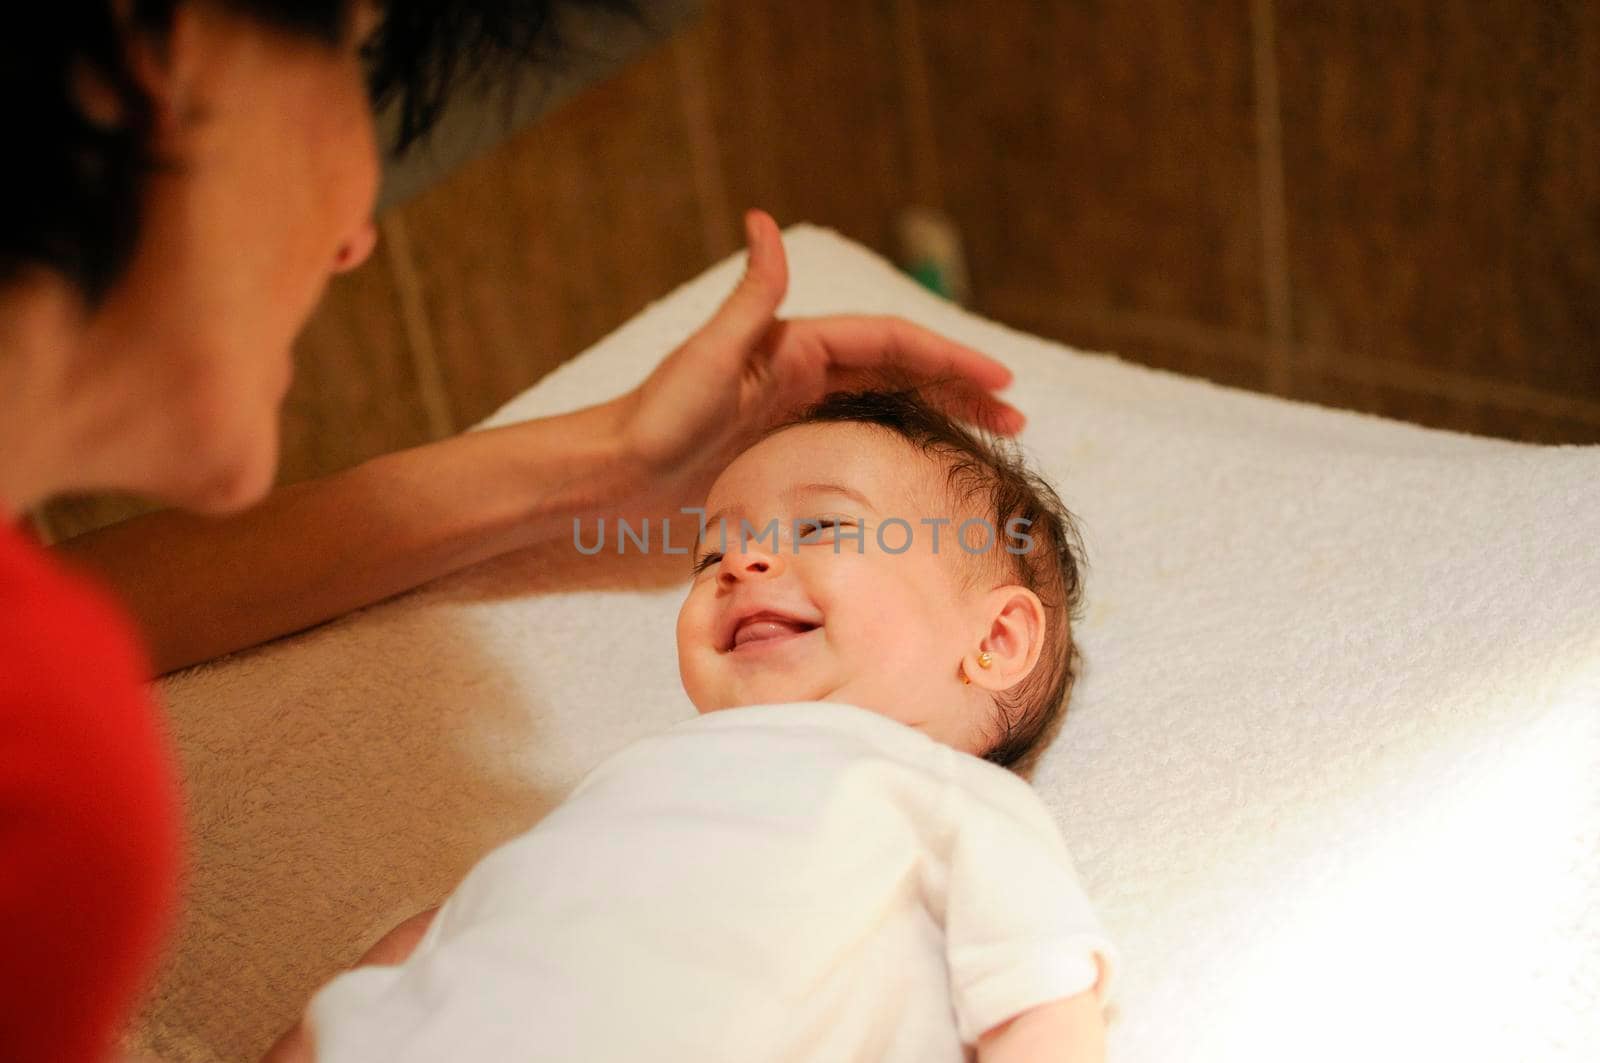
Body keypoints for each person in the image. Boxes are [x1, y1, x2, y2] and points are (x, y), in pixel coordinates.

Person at [0, 3, 1024, 1061]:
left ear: (998, 639)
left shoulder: (946, 824)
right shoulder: (56, 766)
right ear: (140, 56)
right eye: (348, 66)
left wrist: (617, 459)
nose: (359, 231)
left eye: (822, 526)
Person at [271, 387, 1116, 1062]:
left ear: (995, 640)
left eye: (822, 525)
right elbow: (494, 905)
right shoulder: (642, 775)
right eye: (713, 553)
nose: (742, 562)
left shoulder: (955, 799)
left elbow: (1043, 1001)